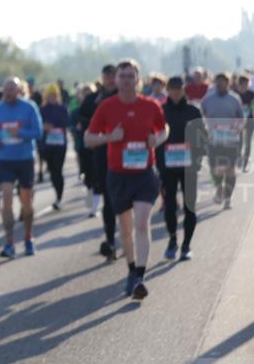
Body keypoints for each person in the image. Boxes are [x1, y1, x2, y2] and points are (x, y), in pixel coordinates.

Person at [85, 59, 168, 300]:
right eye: (122, 76)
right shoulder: (106, 107)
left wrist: (158, 140)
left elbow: (164, 129)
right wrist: (111, 136)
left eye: (130, 76)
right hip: (118, 175)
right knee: (126, 228)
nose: (125, 80)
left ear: (138, 80)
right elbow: (89, 139)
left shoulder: (151, 105)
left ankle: (141, 276)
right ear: (115, 80)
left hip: (144, 173)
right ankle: (132, 269)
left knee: (142, 223)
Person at [0, 77, 43, 258]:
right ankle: (9, 242)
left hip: (25, 159)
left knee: (26, 203)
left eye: (12, 89)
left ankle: (28, 237)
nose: (8, 93)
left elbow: (38, 132)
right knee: (6, 199)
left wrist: (19, 132)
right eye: (6, 90)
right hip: (5, 159)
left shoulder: (29, 107)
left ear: (20, 90)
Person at [157, 76, 206, 261]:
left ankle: (186, 245)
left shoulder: (193, 110)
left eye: (178, 88)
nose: (175, 91)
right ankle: (172, 240)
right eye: (172, 88)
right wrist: (158, 163)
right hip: (167, 166)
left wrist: (198, 158)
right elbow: (155, 137)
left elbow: (202, 137)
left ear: (183, 89)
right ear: (167, 90)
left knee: (190, 207)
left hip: (189, 166)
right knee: (169, 206)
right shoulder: (160, 110)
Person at [78, 64, 119, 258]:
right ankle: (110, 240)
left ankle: (129, 235)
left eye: (113, 75)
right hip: (102, 153)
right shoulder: (93, 99)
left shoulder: (125, 96)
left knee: (127, 199)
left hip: (126, 154)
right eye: (107, 76)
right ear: (102, 77)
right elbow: (82, 120)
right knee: (108, 201)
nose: (110, 79)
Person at [200, 72, 245, 208]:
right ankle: (219, 189)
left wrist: (237, 127)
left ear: (228, 82)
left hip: (231, 139)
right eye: (217, 81)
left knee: (230, 169)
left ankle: (228, 198)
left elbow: (241, 118)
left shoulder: (235, 99)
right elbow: (201, 117)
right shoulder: (207, 100)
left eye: (223, 81)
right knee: (216, 168)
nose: (220, 84)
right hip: (214, 139)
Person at [39, 84, 71, 210]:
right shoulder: (42, 109)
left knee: (58, 170)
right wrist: (45, 127)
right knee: (52, 171)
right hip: (47, 145)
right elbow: (38, 124)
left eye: (55, 95)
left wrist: (55, 125)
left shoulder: (62, 108)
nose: (53, 97)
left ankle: (59, 196)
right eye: (50, 95)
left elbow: (68, 122)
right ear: (46, 96)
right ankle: (57, 193)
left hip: (60, 144)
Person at [235, 73, 253, 172]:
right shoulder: (235, 94)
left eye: (247, 84)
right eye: (244, 84)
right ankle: (238, 160)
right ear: (239, 84)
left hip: (249, 120)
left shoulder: (251, 94)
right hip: (237, 121)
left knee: (248, 143)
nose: (246, 86)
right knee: (239, 142)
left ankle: (245, 164)